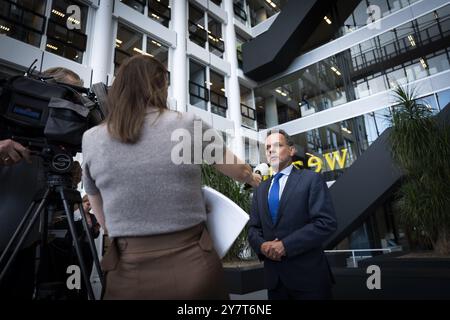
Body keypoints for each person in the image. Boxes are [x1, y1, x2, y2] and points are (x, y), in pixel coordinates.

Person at [82, 54, 261, 300]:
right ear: (160, 86)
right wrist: (253, 179)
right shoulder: (186, 124)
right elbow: (238, 170)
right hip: (193, 266)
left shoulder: (92, 139)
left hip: (127, 273)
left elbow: (102, 219)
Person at [0, 67, 84, 299]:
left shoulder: (53, 144)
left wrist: (67, 180)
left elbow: (49, 205)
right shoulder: (5, 118)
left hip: (24, 251)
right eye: (66, 96)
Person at [248, 129, 337, 300]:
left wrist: (286, 245)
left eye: (277, 145)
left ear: (291, 150)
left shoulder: (311, 179)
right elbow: (253, 229)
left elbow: (325, 223)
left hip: (310, 280)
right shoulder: (260, 190)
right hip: (275, 282)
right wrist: (262, 246)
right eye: (267, 148)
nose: (271, 150)